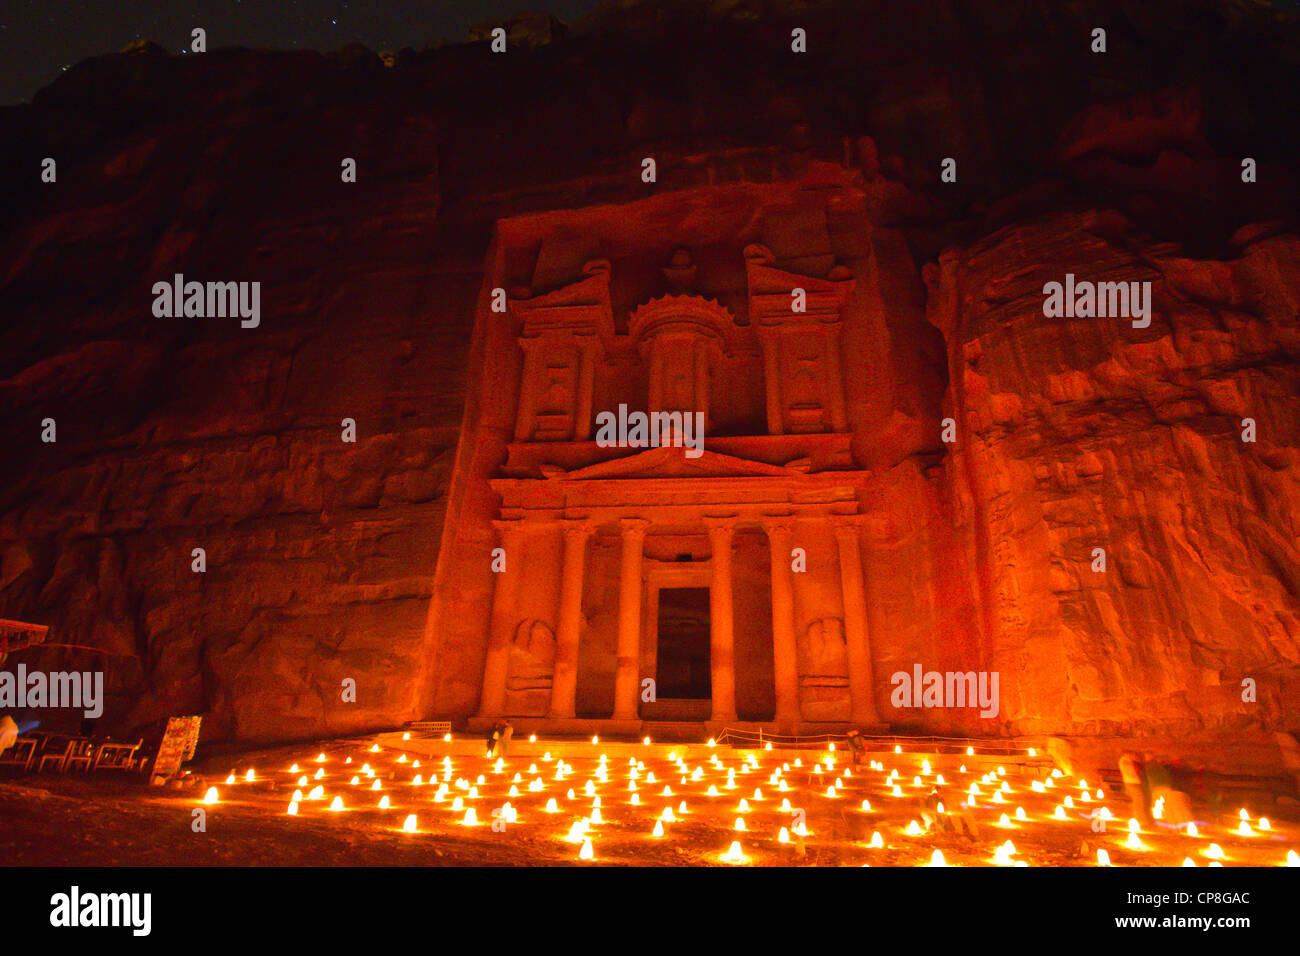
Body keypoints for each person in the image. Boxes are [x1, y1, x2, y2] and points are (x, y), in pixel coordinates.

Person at [1119, 751, 1152, 828]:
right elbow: (1132, 773)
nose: (1134, 756)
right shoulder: (1125, 761)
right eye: (1132, 754)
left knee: (1139, 802)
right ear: (1127, 754)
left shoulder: (1127, 761)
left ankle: (1142, 819)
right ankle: (1141, 820)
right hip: (1132, 783)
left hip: (1133, 783)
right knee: (1139, 802)